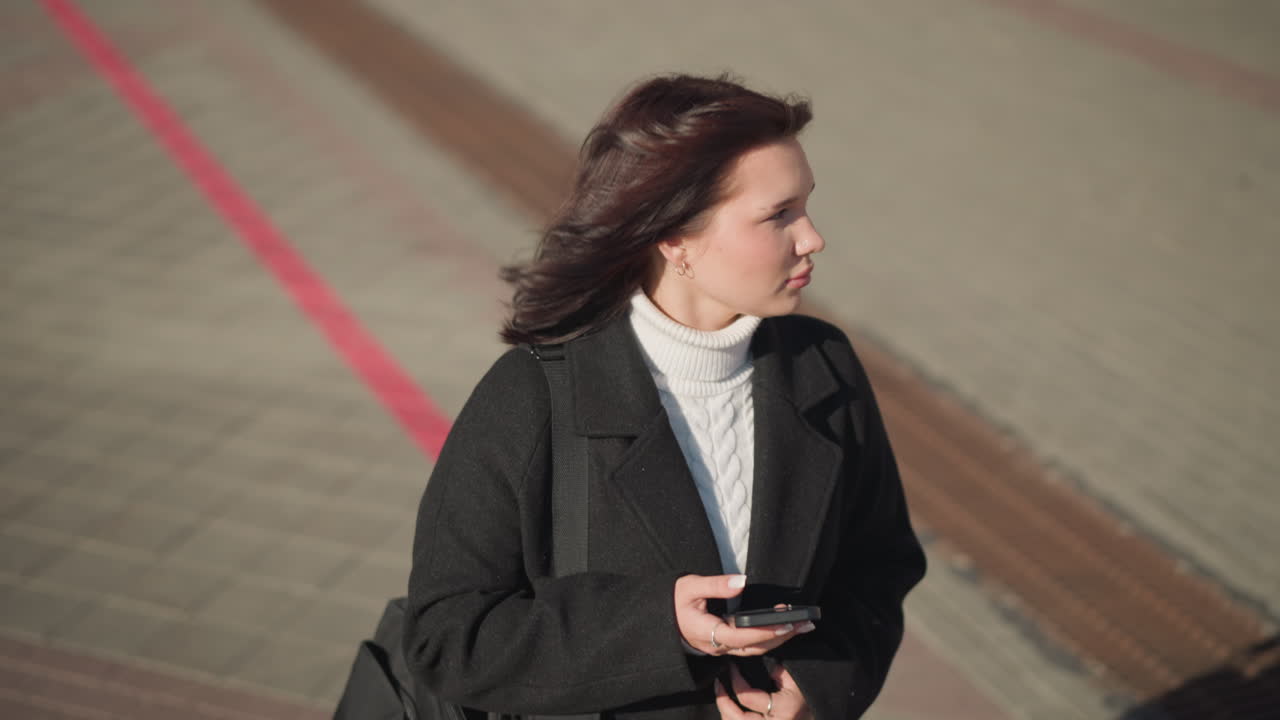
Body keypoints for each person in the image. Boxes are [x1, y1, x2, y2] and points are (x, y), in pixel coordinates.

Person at [405, 73, 926, 720]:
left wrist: (814, 691)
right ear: (674, 237)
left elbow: (878, 568)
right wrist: (662, 627)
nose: (812, 237)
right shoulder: (534, 393)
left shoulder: (822, 366)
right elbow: (447, 636)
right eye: (778, 215)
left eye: (805, 206)